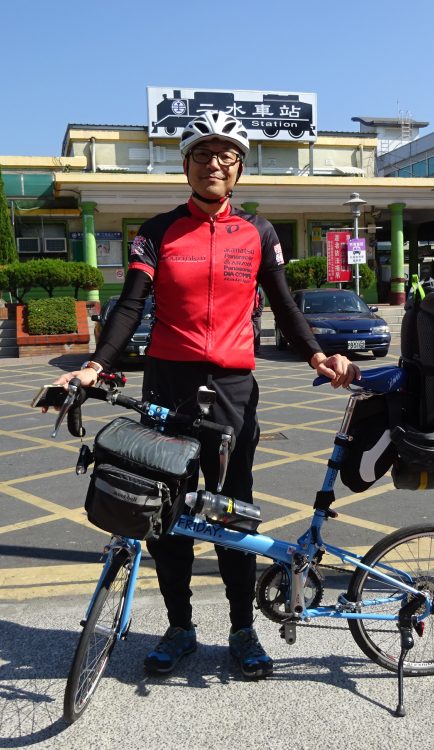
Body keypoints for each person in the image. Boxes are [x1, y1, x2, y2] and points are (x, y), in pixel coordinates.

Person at [53, 110, 359, 681]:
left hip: (232, 390)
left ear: (239, 168)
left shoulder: (258, 233)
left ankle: (242, 631)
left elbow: (286, 302)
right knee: (165, 512)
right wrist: (94, 366)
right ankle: (180, 628)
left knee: (229, 511)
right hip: (168, 382)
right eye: (202, 154)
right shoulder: (156, 231)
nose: (213, 164)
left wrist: (317, 352)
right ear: (186, 165)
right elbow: (130, 304)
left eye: (226, 156)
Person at [251, 285, 265, 354]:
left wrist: (258, 312)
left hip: (256, 314)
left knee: (257, 331)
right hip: (248, 314)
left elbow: (262, 302)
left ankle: (256, 349)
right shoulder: (248, 288)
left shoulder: (259, 290)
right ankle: (249, 348)